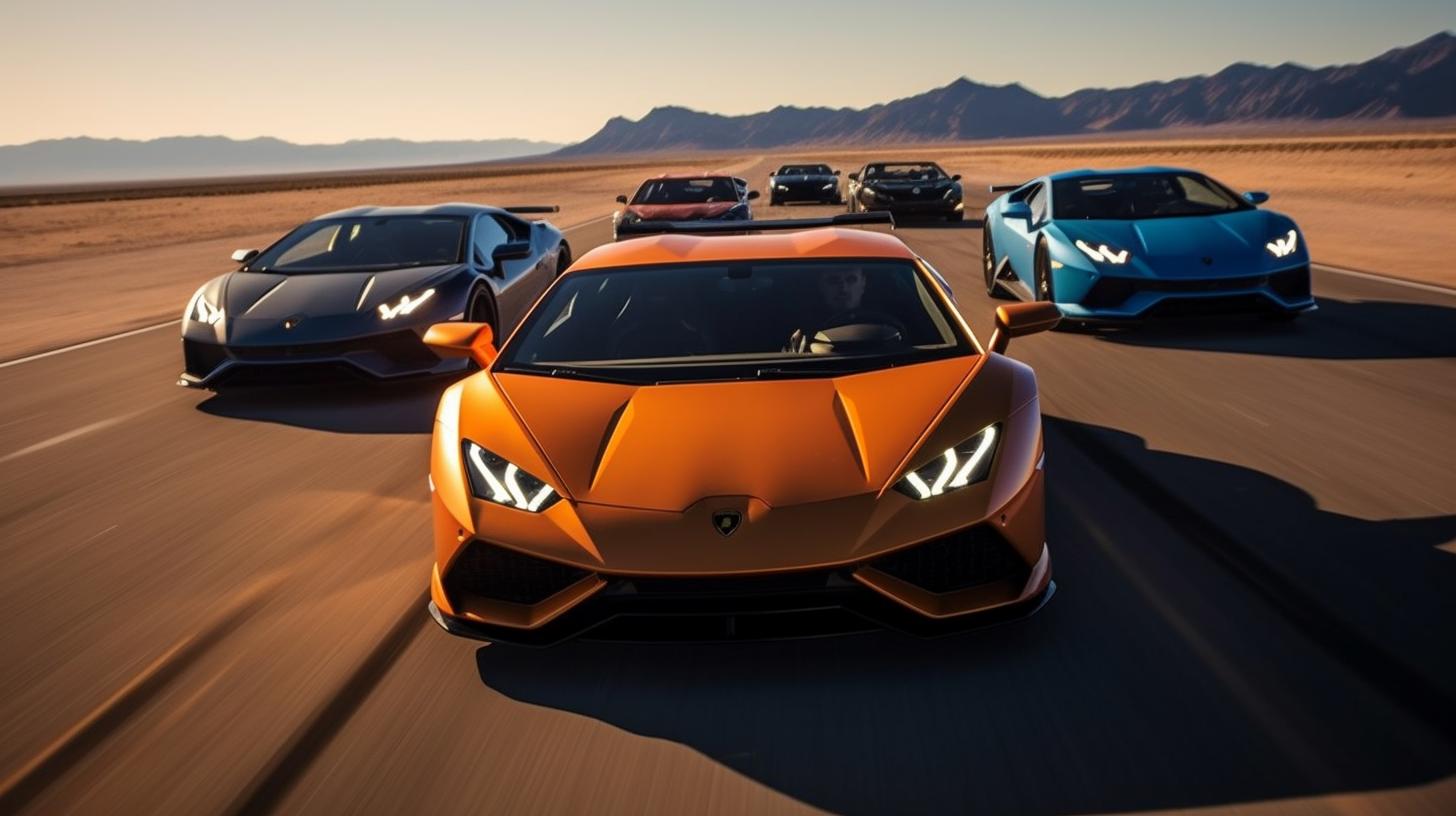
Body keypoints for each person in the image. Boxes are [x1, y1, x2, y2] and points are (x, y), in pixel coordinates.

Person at [785, 265, 904, 352]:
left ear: (863, 283)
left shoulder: (892, 320)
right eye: (833, 281)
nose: (843, 288)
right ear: (821, 286)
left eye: (851, 280)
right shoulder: (800, 331)